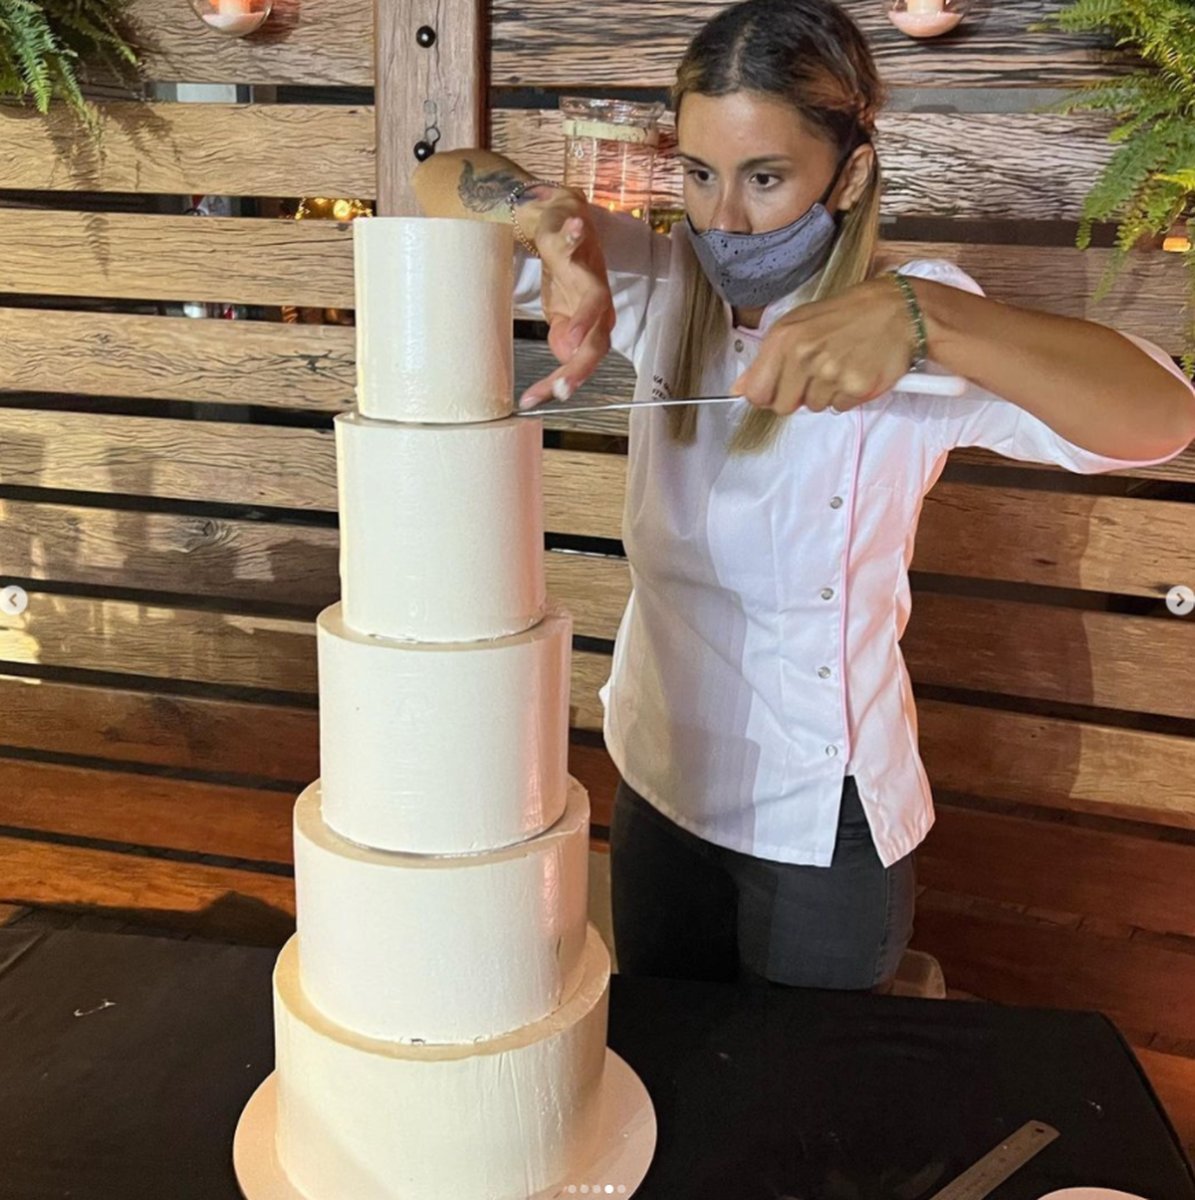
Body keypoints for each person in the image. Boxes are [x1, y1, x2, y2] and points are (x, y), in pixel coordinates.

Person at [414, 0, 1195, 993]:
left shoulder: (904, 322)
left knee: (803, 1086)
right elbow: (435, 181)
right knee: (668, 1058)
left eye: (764, 177)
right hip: (658, 776)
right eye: (699, 174)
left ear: (849, 174)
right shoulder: (657, 278)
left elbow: (1161, 418)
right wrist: (546, 219)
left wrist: (925, 316)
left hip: (818, 821)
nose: (723, 220)